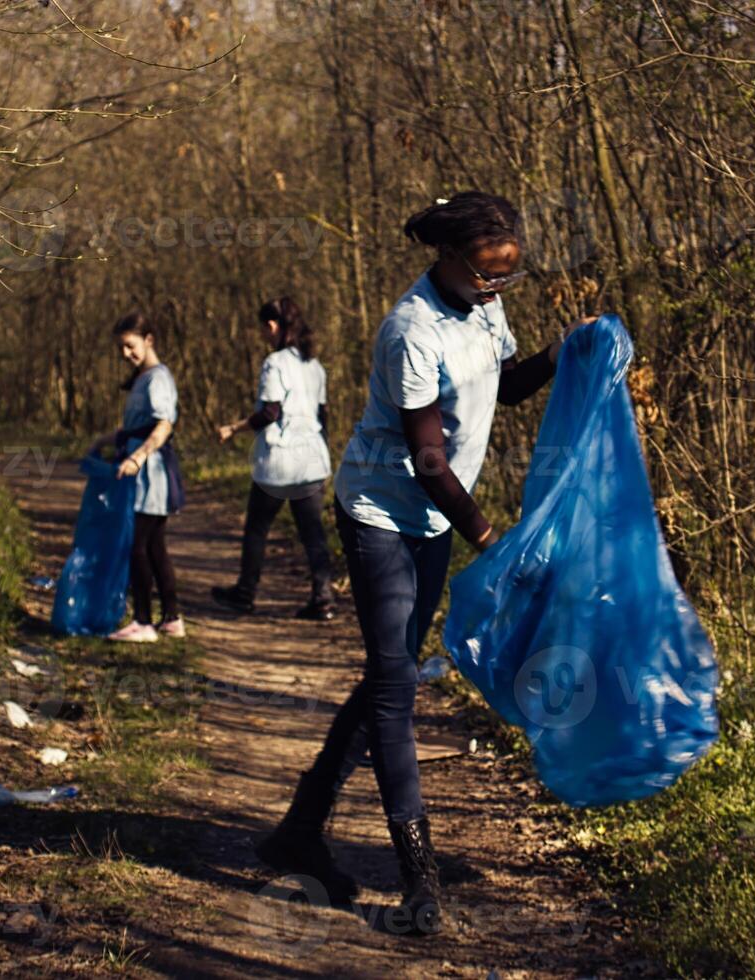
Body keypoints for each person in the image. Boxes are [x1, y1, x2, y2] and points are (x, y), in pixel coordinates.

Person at [255, 192, 596, 936]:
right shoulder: (409, 331)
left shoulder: (486, 305)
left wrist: (562, 351)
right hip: (381, 510)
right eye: (484, 273)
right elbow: (428, 455)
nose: (496, 287)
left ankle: (298, 832)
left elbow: (503, 387)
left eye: (507, 275)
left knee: (393, 674)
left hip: (437, 515)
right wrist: (490, 537)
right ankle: (419, 878)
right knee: (396, 690)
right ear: (447, 256)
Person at [210, 297, 337, 621]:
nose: (264, 337)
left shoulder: (275, 363)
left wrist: (234, 428)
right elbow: (323, 416)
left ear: (272, 326)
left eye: (264, 330)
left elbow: (270, 412)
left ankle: (245, 593)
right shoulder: (315, 366)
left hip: (280, 463)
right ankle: (323, 599)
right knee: (313, 533)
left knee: (257, 528)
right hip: (311, 460)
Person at [88, 313, 186, 643]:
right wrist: (106, 440)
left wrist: (137, 456)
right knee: (155, 546)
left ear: (149, 339)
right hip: (142, 469)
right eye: (120, 348)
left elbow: (163, 425)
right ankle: (171, 618)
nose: (125, 354)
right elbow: (136, 425)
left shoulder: (158, 378)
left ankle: (143, 622)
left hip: (151, 473)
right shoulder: (144, 377)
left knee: (137, 545)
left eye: (129, 346)